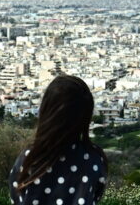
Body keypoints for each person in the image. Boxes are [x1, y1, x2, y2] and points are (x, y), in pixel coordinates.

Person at [9, 75, 108, 205]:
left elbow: (16, 196)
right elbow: (95, 195)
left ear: (47, 111)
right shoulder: (94, 159)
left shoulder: (29, 158)